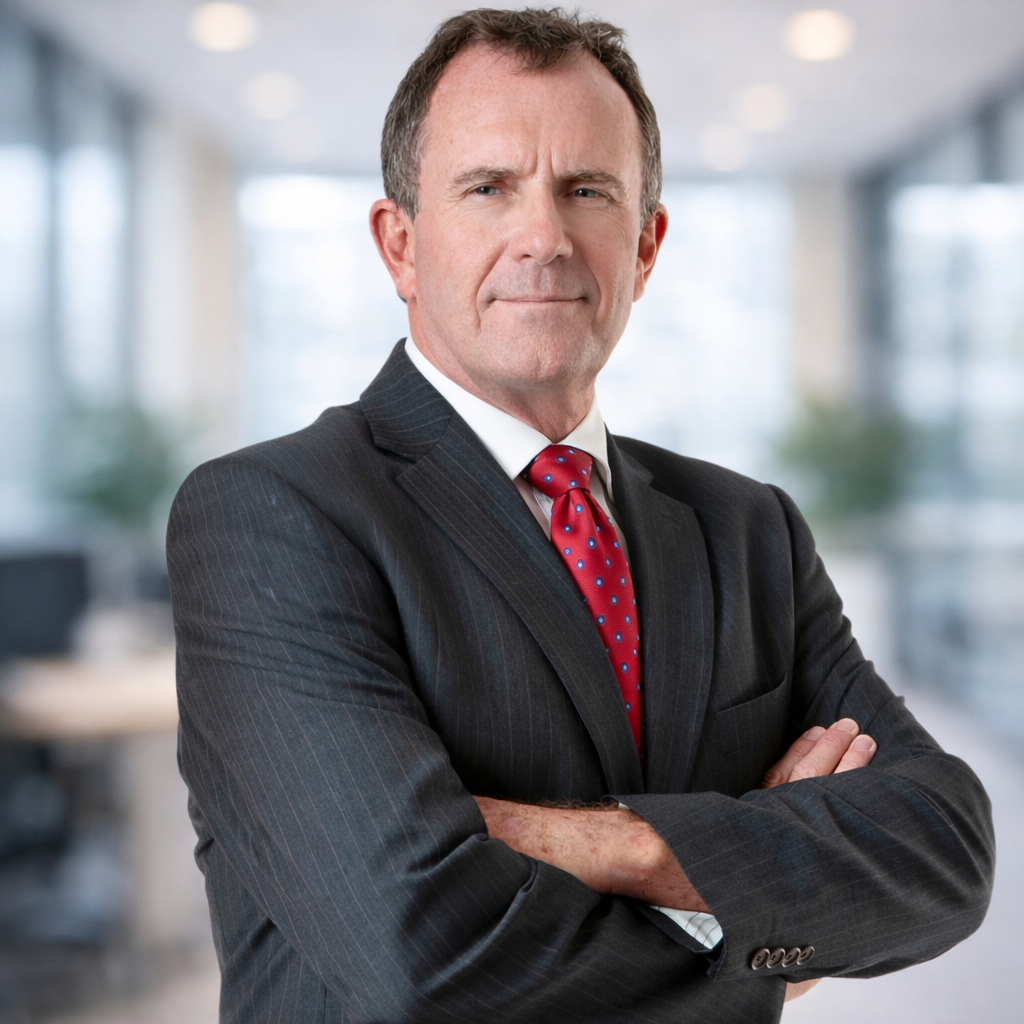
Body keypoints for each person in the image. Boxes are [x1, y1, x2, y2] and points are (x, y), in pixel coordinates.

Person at [168, 8, 994, 1022]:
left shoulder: (749, 530)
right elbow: (416, 946)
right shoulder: (272, 514)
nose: (545, 239)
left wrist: (625, 846)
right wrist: (758, 904)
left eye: (586, 190)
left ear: (645, 247)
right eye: (488, 187)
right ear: (400, 245)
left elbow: (947, 849)